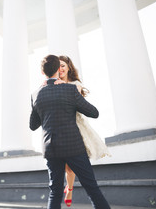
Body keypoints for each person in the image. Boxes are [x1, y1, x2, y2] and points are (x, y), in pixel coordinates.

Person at [29, 55, 110, 209]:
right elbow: (94, 113)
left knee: (55, 192)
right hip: (73, 146)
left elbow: (33, 125)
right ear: (56, 70)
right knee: (92, 189)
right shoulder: (70, 89)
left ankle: (68, 191)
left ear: (42, 72)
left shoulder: (35, 94)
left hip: (51, 149)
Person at [58, 55, 111, 207]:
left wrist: (60, 84)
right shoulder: (54, 84)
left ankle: (70, 188)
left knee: (76, 164)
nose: (60, 69)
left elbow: (74, 94)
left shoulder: (75, 84)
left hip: (77, 126)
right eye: (58, 67)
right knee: (68, 168)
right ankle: (69, 188)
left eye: (63, 66)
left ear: (68, 67)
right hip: (62, 127)